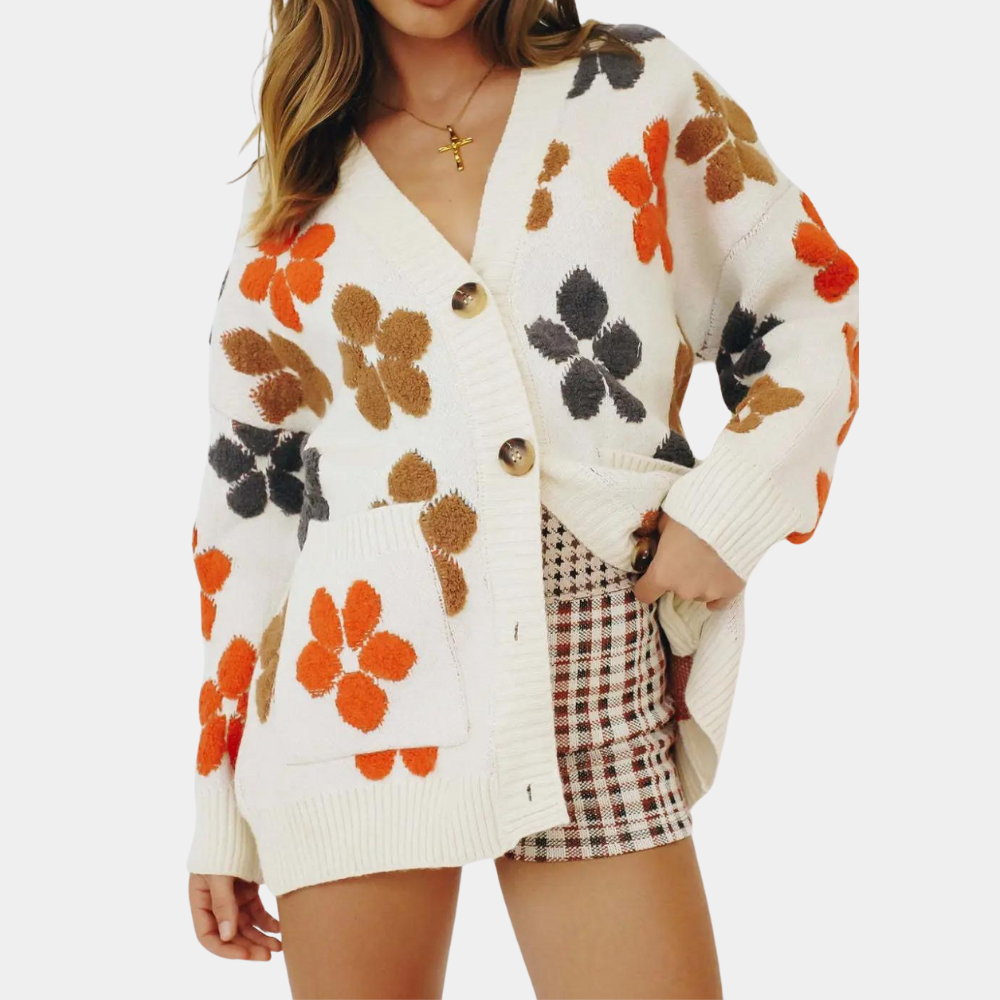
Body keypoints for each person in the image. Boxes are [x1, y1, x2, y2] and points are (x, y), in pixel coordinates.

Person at [185, 1, 860, 996]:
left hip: (590, 658)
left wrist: (728, 513)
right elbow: (249, 504)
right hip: (352, 691)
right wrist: (220, 804)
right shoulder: (299, 176)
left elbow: (809, 300)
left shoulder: (633, 88)